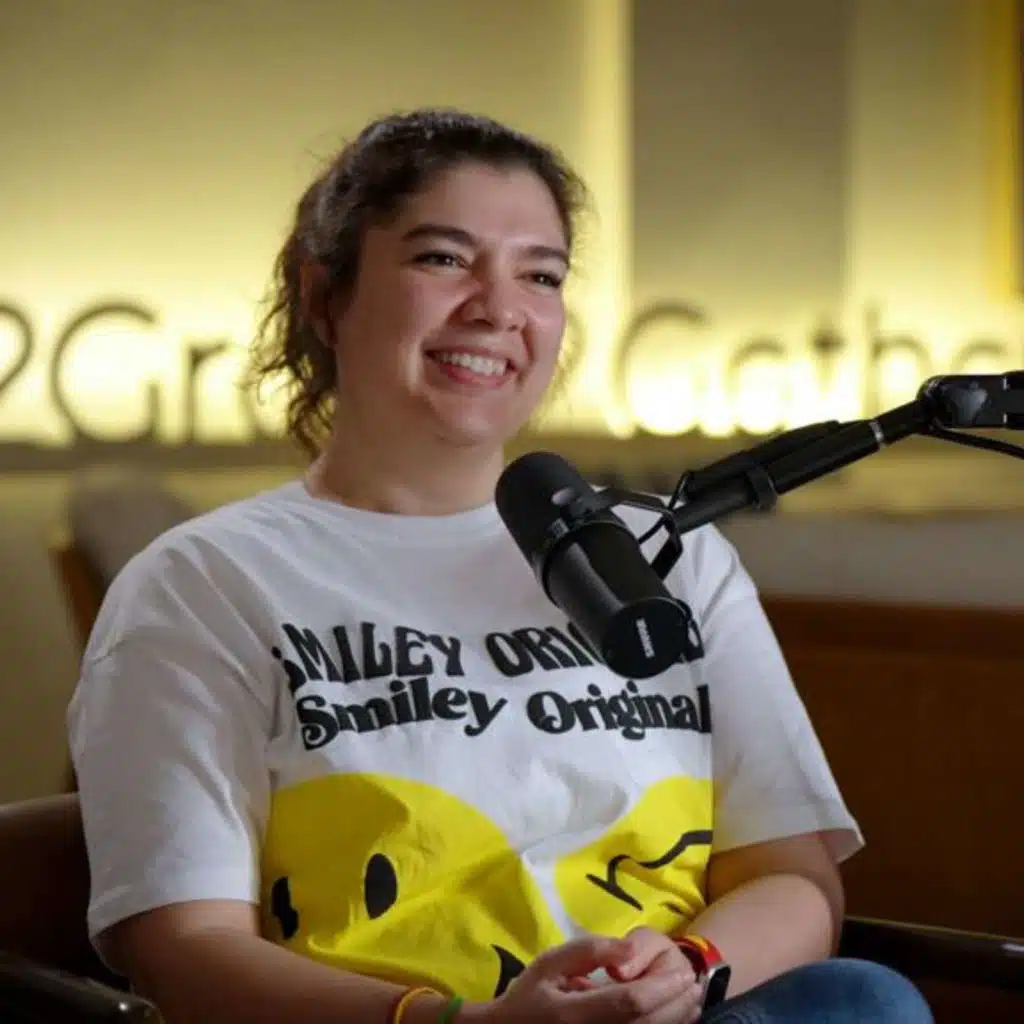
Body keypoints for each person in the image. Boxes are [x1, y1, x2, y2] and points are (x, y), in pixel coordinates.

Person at [67, 107, 933, 1024]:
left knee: (863, 999)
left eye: (541, 275)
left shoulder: (666, 554)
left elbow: (793, 878)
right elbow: (184, 951)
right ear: (324, 297)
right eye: (443, 258)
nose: (498, 307)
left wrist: (686, 969)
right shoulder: (201, 586)